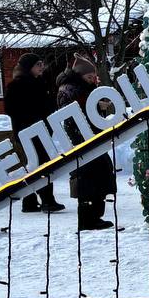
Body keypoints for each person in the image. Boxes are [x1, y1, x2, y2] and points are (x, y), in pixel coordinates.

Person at [55, 59, 115, 230]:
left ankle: (94, 216)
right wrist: (96, 105)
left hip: (88, 135)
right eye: (89, 77)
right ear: (80, 75)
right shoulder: (69, 89)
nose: (93, 80)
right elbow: (73, 111)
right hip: (80, 137)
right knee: (88, 176)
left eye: (94, 76)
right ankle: (88, 219)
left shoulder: (81, 87)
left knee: (98, 172)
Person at [4, 53, 65, 213]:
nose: (41, 67)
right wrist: (33, 116)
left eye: (41, 64)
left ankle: (29, 201)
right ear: (28, 67)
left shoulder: (39, 82)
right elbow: (11, 109)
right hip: (29, 132)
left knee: (34, 165)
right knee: (42, 164)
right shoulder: (17, 85)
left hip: (40, 130)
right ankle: (47, 201)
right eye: (38, 64)